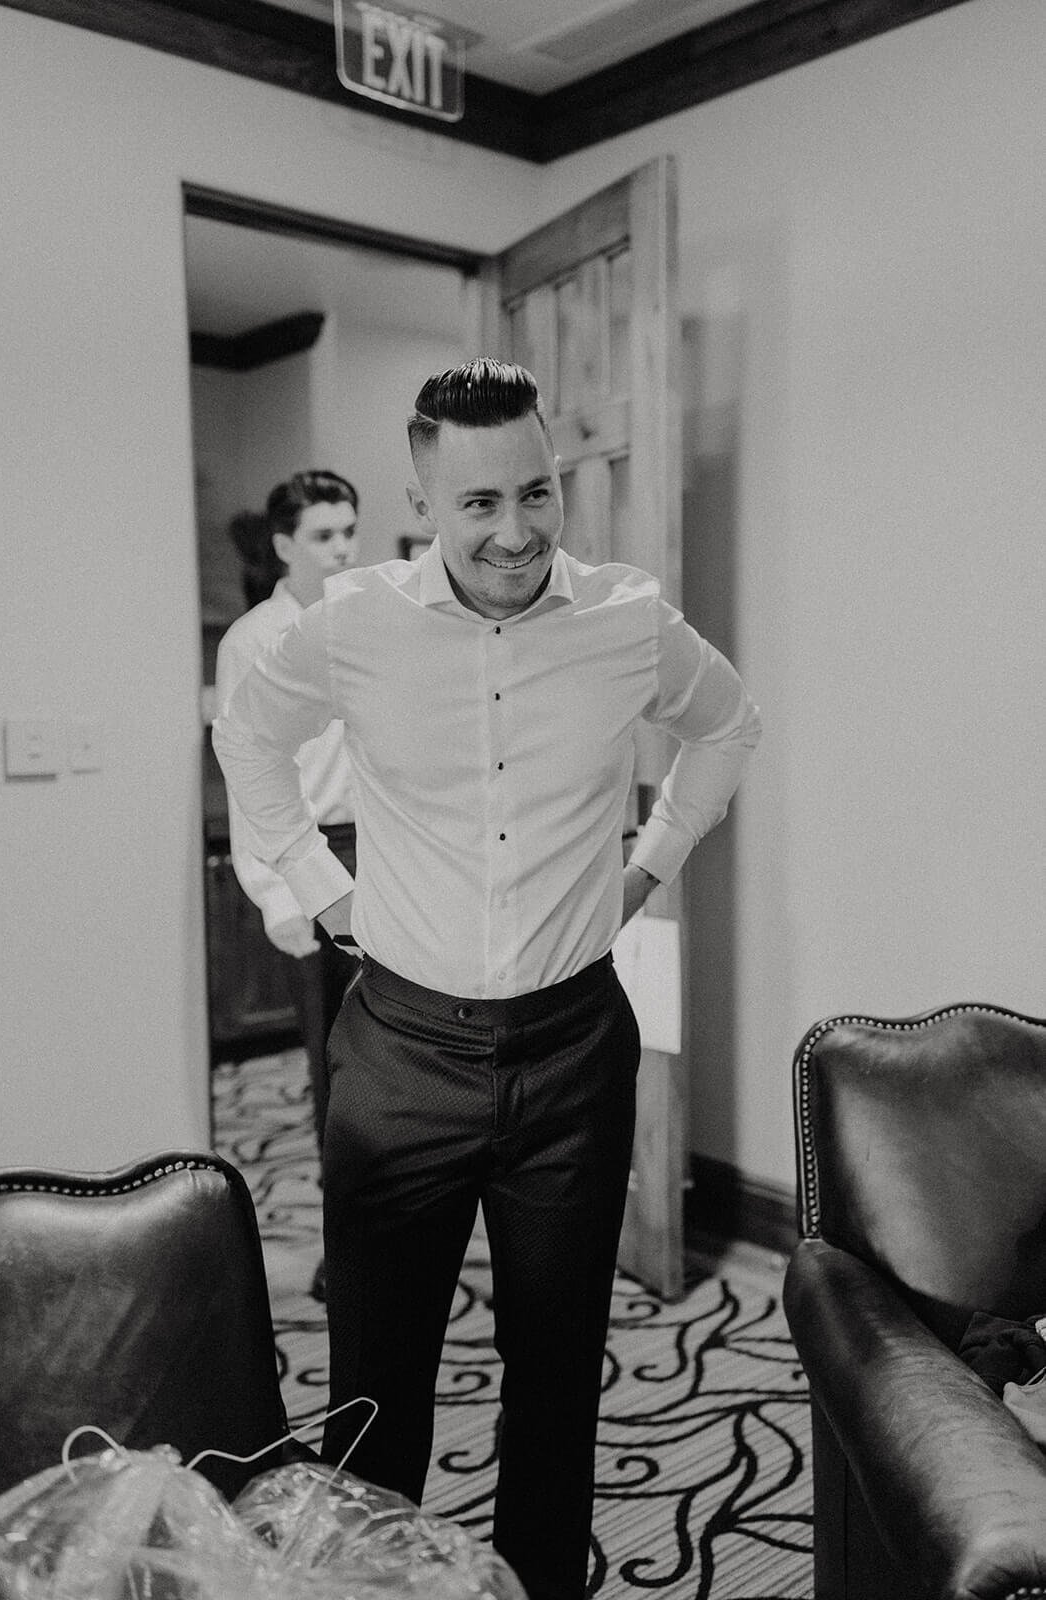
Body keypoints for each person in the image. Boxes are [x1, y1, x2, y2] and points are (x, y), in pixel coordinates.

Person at [213, 360, 762, 1600]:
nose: (513, 531)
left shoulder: (628, 620)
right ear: (423, 499)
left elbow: (727, 723)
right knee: (375, 1390)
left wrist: (646, 866)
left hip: (574, 1050)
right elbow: (247, 730)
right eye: (477, 505)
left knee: (559, 1369)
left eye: (537, 493)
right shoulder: (352, 623)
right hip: (398, 1054)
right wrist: (316, 885)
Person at [214, 469, 361, 1301]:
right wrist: (280, 896)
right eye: (323, 536)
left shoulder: (367, 623)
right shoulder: (254, 641)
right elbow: (250, 775)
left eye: (349, 531)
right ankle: (350, 1256)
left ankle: (405, 1241)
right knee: (338, 1071)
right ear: (282, 546)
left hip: (392, 853)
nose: (343, 548)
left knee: (404, 1066)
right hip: (312, 859)